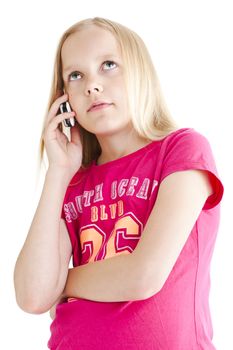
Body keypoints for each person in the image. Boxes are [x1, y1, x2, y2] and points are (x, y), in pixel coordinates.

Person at [13, 17, 224, 350]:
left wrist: (62, 283)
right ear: (65, 97)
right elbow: (32, 295)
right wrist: (58, 172)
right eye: (76, 75)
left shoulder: (182, 150)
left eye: (108, 65)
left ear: (139, 71)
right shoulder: (73, 182)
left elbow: (143, 275)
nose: (92, 86)